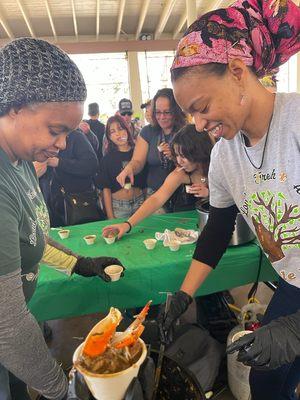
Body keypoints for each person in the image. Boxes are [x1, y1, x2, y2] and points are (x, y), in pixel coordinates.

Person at [157, 1, 300, 399]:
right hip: (293, 283)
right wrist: (184, 294)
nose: (199, 125)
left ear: (237, 72)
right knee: (266, 381)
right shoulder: (224, 154)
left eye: (201, 108)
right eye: (191, 116)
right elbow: (218, 230)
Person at [0, 37, 122, 400]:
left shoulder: (19, 160)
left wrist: (77, 262)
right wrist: (61, 390)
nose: (64, 145)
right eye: (56, 130)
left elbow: (30, 234)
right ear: (14, 107)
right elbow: (6, 325)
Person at [103, 124, 213, 237]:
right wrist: (127, 225)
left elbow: (230, 196)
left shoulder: (217, 167)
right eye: (176, 155)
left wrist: (210, 194)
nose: (179, 161)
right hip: (188, 229)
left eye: (183, 156)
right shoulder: (180, 173)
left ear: (198, 153)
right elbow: (156, 199)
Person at [117, 88, 187, 212]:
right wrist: (130, 168)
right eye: (158, 112)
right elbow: (138, 161)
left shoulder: (186, 131)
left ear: (176, 111)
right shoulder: (148, 131)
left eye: (167, 112)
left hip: (183, 195)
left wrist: (175, 157)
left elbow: (197, 165)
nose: (162, 117)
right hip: (154, 194)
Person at [48, 128, 101, 227]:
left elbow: (91, 165)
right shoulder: (43, 139)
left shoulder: (76, 137)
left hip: (80, 205)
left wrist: (59, 162)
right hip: (55, 206)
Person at [99, 115, 146, 219]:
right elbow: (106, 190)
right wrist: (110, 216)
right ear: (109, 137)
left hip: (140, 203)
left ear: (127, 129)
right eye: (112, 131)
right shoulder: (107, 159)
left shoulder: (138, 153)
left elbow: (145, 184)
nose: (118, 133)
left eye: (120, 128)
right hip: (119, 207)